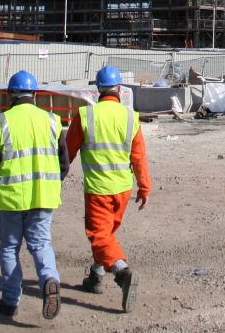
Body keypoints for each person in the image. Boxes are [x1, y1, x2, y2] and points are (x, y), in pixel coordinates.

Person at [0, 70, 68, 319]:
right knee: (41, 244)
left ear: (10, 95)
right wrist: (50, 184)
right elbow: (64, 163)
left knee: (9, 248)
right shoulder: (52, 121)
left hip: (10, 198)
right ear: (35, 95)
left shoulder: (1, 121)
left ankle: (9, 302)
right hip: (43, 197)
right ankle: (49, 278)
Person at [66, 66, 151, 313]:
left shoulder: (86, 116)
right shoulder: (130, 117)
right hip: (123, 189)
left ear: (98, 90)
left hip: (98, 189)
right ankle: (96, 276)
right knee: (107, 233)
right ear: (119, 89)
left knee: (99, 235)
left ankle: (123, 273)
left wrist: (54, 177)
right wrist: (144, 188)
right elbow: (139, 158)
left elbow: (67, 153)